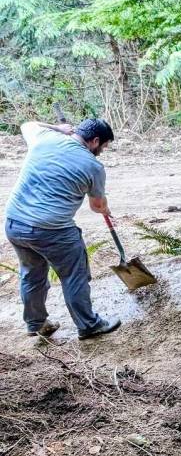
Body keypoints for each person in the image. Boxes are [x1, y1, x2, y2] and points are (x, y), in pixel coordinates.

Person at [5, 118, 122, 340]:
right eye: (104, 147)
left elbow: (26, 125)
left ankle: (36, 323)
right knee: (74, 275)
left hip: (15, 223)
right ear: (95, 141)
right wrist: (106, 210)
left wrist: (56, 129)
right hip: (53, 230)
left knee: (31, 274)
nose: (102, 152)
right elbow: (97, 206)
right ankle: (89, 325)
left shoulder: (45, 138)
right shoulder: (93, 166)